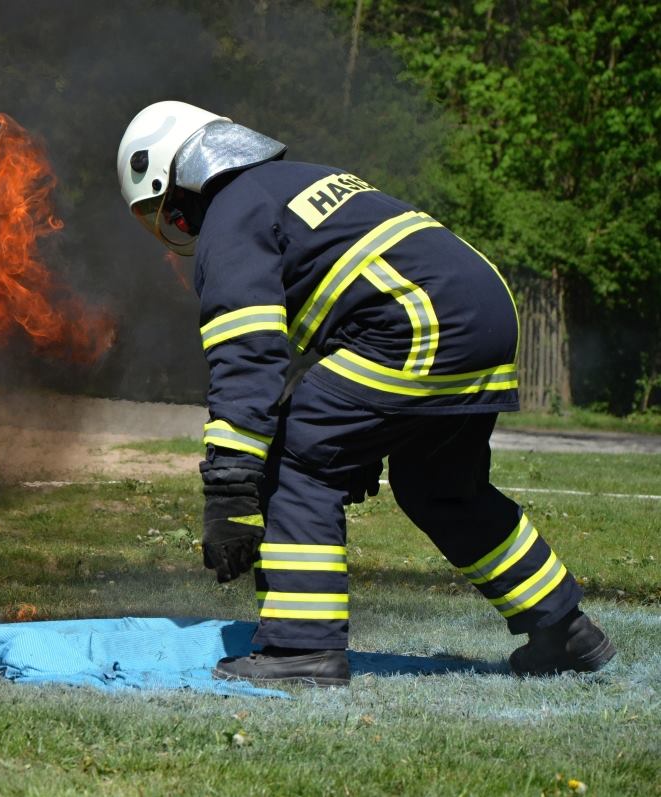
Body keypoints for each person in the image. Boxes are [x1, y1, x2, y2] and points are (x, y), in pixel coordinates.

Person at [115, 100, 615, 686]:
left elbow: (246, 353)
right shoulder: (301, 181)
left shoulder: (231, 215)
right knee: (441, 487)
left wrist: (231, 485)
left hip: (420, 324)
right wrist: (354, 440)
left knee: (296, 458)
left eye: (165, 212)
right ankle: (564, 630)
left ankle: (300, 650)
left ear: (175, 181)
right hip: (485, 314)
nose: (176, 226)